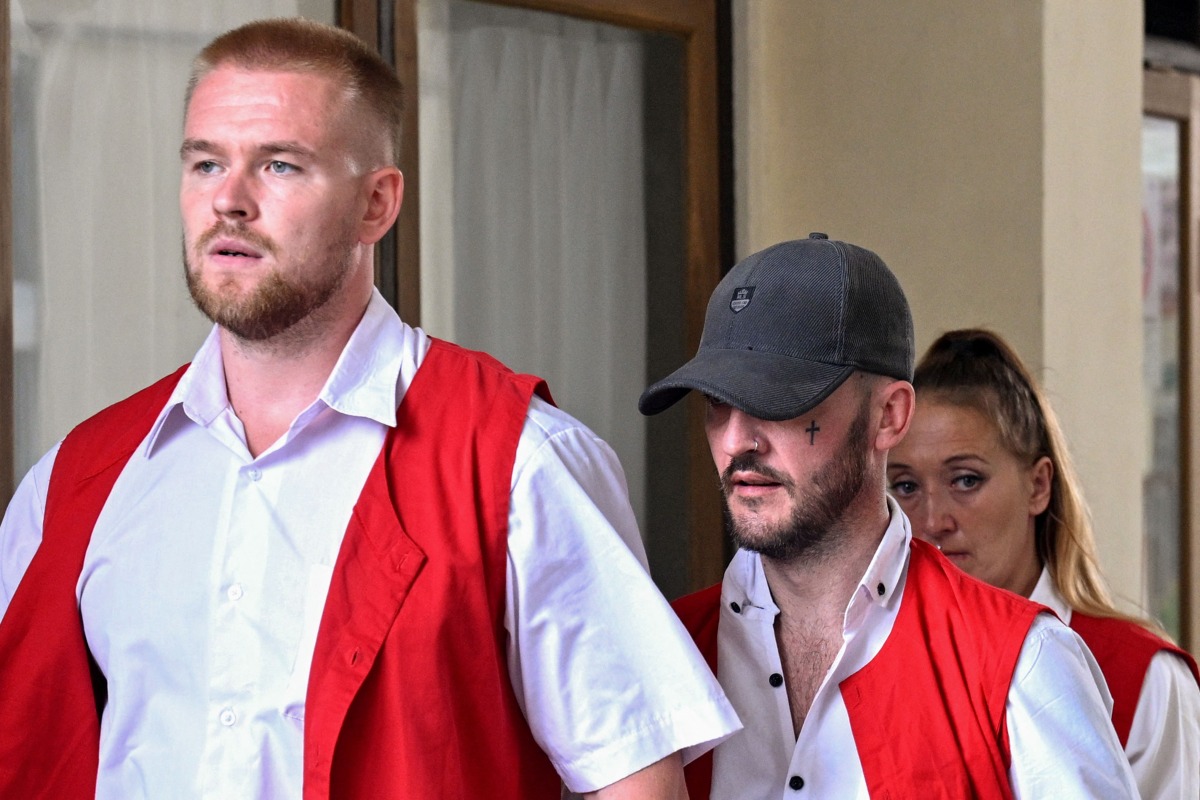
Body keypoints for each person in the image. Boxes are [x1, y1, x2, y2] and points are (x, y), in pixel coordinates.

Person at [0, 17, 740, 800]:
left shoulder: (518, 462)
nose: (229, 200)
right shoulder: (78, 481)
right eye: (206, 162)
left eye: (279, 165)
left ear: (377, 205)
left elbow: (634, 783)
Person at [639, 234, 1139, 799]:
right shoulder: (659, 654)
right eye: (716, 403)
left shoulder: (1024, 664)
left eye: (777, 400)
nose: (735, 441)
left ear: (890, 416)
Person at [886, 327, 1200, 799]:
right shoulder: (875, 666)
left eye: (966, 480)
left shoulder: (1146, 677)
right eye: (906, 487)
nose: (932, 520)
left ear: (1038, 486)